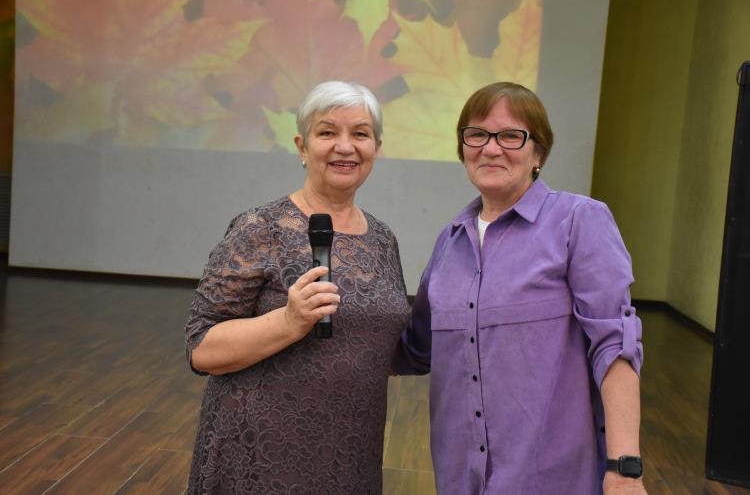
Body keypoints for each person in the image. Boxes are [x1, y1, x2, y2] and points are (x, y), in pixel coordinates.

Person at [394, 82, 646, 494]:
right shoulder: (449, 242)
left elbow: (615, 346)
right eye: (477, 134)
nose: (491, 148)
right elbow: (415, 348)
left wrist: (624, 470)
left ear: (538, 153)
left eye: (511, 136)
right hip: (459, 478)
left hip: (550, 479)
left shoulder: (578, 220)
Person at [184, 81, 410, 494]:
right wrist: (288, 322)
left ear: (376, 148)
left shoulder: (382, 238)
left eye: (360, 134)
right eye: (327, 132)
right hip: (260, 453)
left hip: (350, 449)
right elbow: (202, 348)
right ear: (302, 147)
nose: (345, 146)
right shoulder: (261, 228)